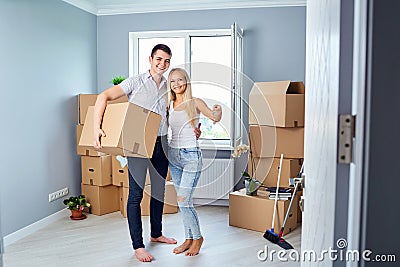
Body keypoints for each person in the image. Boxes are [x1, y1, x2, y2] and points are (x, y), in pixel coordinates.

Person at [93, 44, 200, 262]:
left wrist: (193, 128)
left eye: (167, 61)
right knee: (136, 195)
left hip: (161, 144)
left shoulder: (168, 87)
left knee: (159, 191)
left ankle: (156, 233)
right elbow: (103, 96)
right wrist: (97, 128)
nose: (162, 64)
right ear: (150, 59)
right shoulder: (135, 82)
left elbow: (172, 115)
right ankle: (138, 246)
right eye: (159, 59)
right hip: (137, 144)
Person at [167, 68, 222, 256]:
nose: (176, 84)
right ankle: (188, 239)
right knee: (184, 201)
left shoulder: (195, 102)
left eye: (180, 80)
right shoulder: (169, 104)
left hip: (191, 156)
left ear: (186, 81)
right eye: (172, 81)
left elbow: (214, 118)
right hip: (173, 156)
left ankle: (198, 238)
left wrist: (218, 110)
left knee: (183, 201)